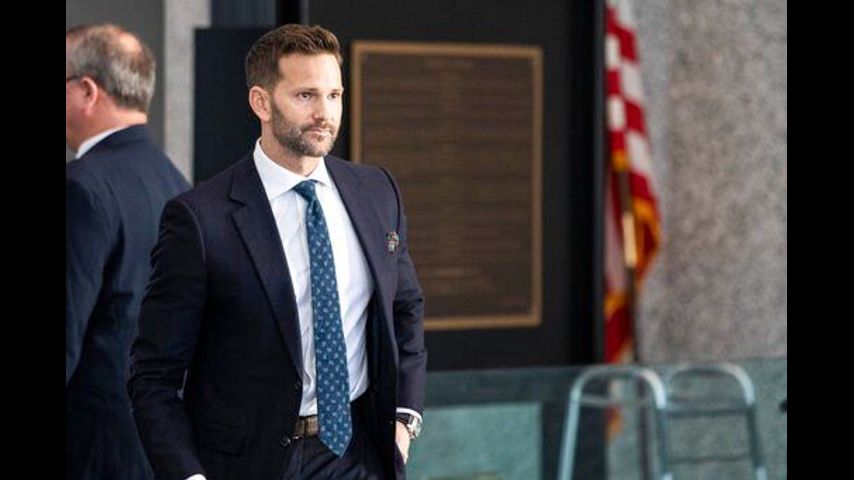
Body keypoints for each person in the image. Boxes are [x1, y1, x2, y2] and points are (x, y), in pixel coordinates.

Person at [128, 24, 427, 480]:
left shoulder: (377, 191)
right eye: (306, 96)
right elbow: (153, 375)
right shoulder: (201, 219)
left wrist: (404, 420)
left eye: (334, 95)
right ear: (261, 103)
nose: (324, 113)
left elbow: (405, 308)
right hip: (251, 463)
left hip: (358, 455)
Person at [66, 23, 191, 480]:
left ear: (87, 91)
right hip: (158, 446)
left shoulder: (81, 188)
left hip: (90, 453)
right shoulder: (178, 184)